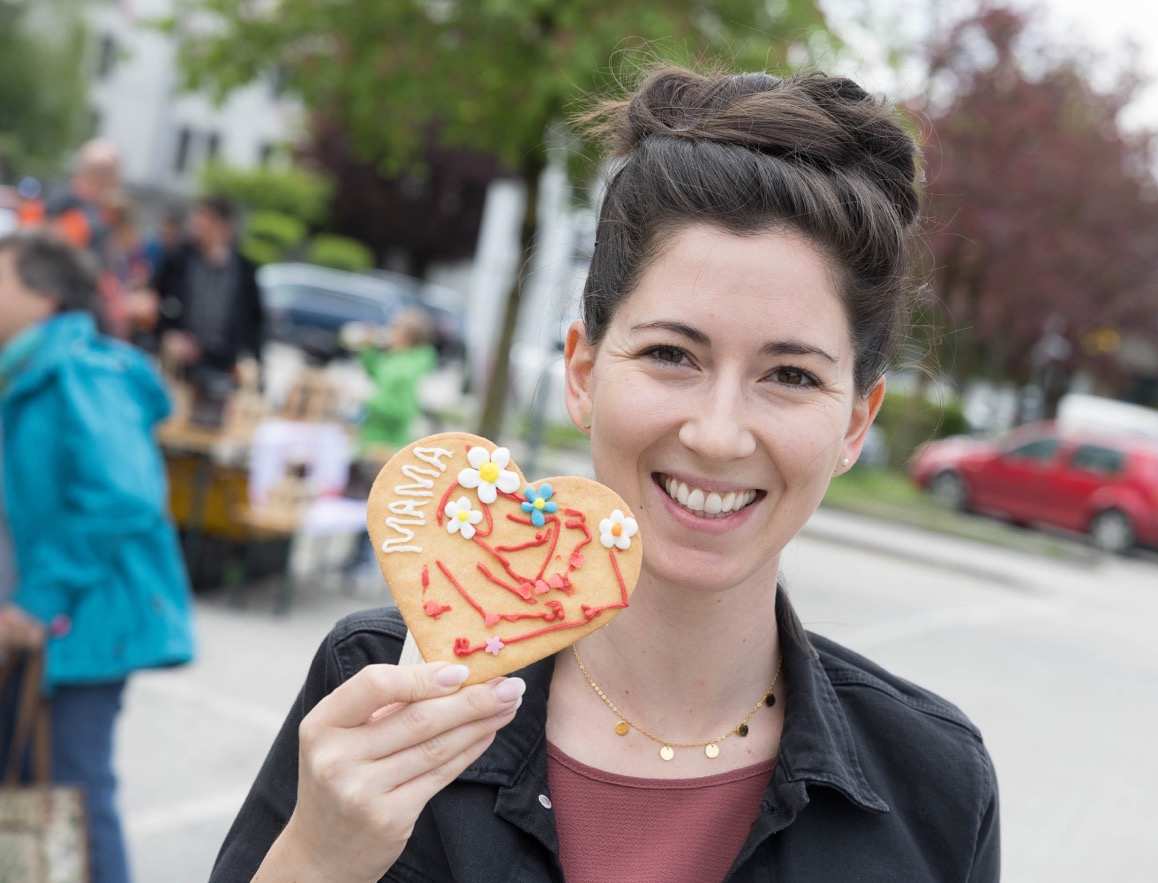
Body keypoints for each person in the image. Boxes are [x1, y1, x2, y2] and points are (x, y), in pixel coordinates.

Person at [212, 67, 1000, 882]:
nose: (718, 433)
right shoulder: (382, 685)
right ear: (583, 373)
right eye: (671, 354)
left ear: (856, 424)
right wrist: (317, 857)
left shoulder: (935, 786)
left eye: (790, 375)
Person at [0, 231, 196, 883]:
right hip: (51, 622)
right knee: (33, 789)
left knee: (72, 798)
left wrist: (38, 598)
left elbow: (124, 495)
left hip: (83, 620)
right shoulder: (30, 366)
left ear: (43, 295)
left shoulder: (78, 368)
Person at [151, 194, 265, 382]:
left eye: (205, 219)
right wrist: (167, 335)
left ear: (224, 226)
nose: (197, 225)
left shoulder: (245, 270)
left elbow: (255, 323)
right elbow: (155, 301)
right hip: (181, 364)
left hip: (224, 367)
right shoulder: (178, 260)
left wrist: (250, 360)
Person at [349, 309, 438, 458]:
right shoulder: (397, 356)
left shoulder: (411, 363)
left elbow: (401, 406)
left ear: (408, 335)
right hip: (373, 430)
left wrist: (366, 401)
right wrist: (368, 349)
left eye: (394, 328)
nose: (389, 332)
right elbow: (377, 373)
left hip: (389, 438)